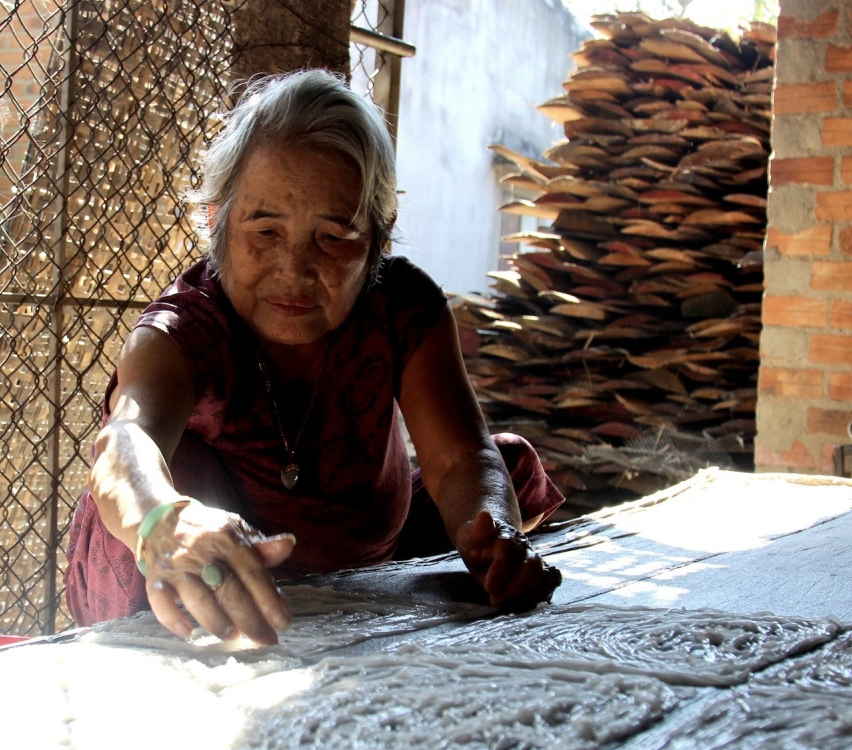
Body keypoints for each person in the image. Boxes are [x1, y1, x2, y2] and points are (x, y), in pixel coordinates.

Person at [66, 69, 564, 645]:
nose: (295, 270)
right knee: (185, 474)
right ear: (216, 220)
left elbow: (458, 461)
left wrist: (493, 535)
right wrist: (163, 521)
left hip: (364, 557)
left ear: (380, 236)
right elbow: (126, 444)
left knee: (503, 474)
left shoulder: (402, 307)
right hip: (209, 565)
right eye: (265, 231)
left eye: (333, 237)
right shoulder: (182, 330)